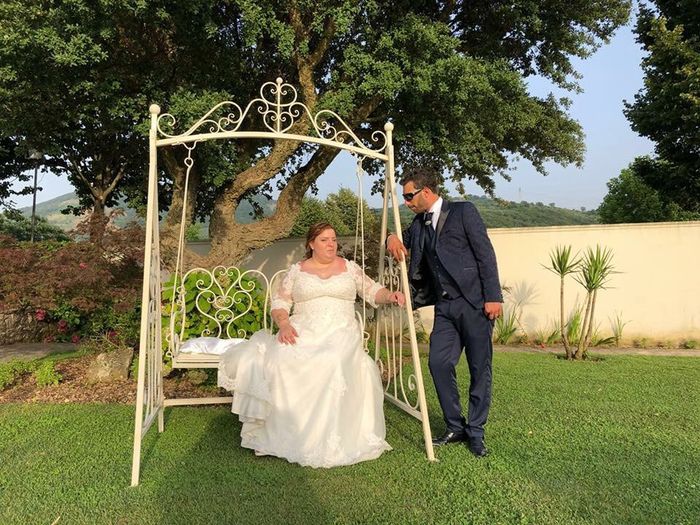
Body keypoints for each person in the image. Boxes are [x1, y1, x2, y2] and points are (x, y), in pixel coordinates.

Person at [218, 222, 404, 468]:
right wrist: (284, 324)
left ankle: (325, 436)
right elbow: (280, 303)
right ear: (311, 244)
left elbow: (373, 291)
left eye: (334, 239)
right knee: (282, 358)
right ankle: (285, 432)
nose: (331, 244)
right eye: (325, 240)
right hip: (302, 329)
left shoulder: (350, 268)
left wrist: (390, 295)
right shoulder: (297, 271)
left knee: (330, 359)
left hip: (340, 331)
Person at [386, 167, 502, 457]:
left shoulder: (464, 212)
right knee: (438, 363)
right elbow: (402, 239)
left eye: (409, 196)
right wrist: (391, 237)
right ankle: (455, 426)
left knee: (479, 368)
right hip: (445, 307)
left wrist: (493, 296)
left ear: (426, 192)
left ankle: (476, 432)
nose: (406, 202)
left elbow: (485, 254)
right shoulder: (419, 223)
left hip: (475, 303)